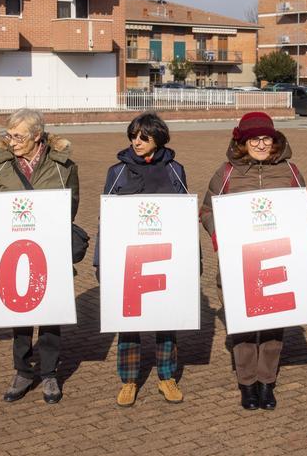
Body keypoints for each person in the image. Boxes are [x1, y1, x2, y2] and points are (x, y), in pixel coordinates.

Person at [200, 111, 307, 411]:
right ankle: (247, 384)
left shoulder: (290, 171)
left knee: (274, 326)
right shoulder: (226, 173)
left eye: (266, 138)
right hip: (240, 262)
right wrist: (216, 235)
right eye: (254, 139)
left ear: (274, 141)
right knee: (243, 325)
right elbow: (207, 210)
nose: (260, 144)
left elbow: (304, 208)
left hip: (277, 261)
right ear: (242, 141)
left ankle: (267, 381)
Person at [0, 108, 79, 404]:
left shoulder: (64, 166)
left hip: (49, 249)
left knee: (50, 313)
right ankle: (23, 370)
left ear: (37, 136)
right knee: (19, 314)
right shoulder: (1, 165)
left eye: (19, 136)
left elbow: (71, 205)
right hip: (15, 250)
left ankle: (49, 373)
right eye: (9, 135)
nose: (12, 142)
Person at [94, 112, 188, 408]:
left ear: (158, 138)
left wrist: (191, 258)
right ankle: (129, 380)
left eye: (143, 137)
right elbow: (105, 218)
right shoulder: (117, 172)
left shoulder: (175, 170)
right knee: (129, 321)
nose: (136, 142)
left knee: (165, 320)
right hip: (129, 261)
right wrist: (101, 259)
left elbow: (185, 216)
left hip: (164, 259)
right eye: (133, 136)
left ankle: (166, 377)